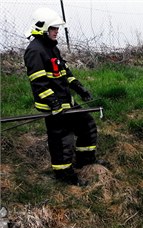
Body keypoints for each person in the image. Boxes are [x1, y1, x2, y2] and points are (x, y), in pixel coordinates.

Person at [24, 7, 101, 186]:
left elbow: (65, 73)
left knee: (87, 125)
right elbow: (38, 83)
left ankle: (85, 161)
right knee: (62, 139)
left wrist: (80, 89)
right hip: (53, 106)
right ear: (43, 28)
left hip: (67, 102)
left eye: (57, 28)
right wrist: (54, 104)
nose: (57, 31)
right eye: (54, 28)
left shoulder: (51, 48)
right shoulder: (35, 51)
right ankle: (64, 175)